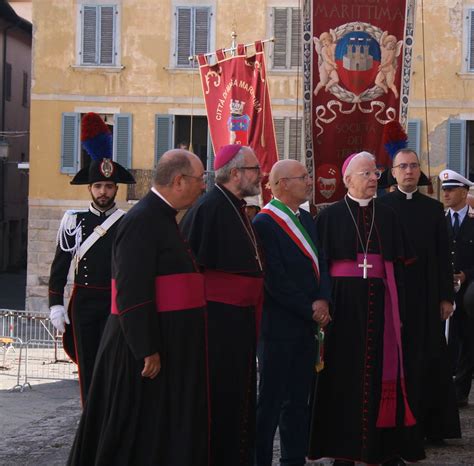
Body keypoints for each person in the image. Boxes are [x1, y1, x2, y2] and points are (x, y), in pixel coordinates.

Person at [68, 149, 209, 466]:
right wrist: (147, 347)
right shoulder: (143, 220)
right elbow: (132, 289)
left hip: (162, 339)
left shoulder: (162, 217)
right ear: (179, 180)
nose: (203, 187)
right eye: (200, 180)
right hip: (139, 351)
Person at [308, 151, 421, 466]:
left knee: (379, 371)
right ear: (348, 180)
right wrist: (324, 302)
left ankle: (382, 449)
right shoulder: (328, 217)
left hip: (381, 306)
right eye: (368, 174)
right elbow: (320, 267)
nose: (375, 179)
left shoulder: (388, 216)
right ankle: (343, 450)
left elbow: (401, 268)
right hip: (342, 307)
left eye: (376, 173)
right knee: (342, 375)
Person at [180, 143, 264, 466]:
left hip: (238, 324)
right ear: (235, 173)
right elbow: (191, 270)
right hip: (217, 328)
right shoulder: (209, 208)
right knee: (222, 401)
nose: (261, 175)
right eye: (255, 170)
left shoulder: (237, 207)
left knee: (240, 399)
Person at [48, 112, 135, 403]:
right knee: (87, 369)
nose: (103, 191)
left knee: (115, 368)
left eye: (109, 186)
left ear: (115, 188)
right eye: (98, 186)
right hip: (83, 304)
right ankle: (90, 419)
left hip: (115, 305)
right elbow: (59, 268)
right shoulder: (73, 220)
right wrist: (55, 305)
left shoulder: (127, 222)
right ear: (90, 188)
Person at [379, 150, 460, 444]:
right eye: (403, 166)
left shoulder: (434, 208)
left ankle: (431, 426)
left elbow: (443, 256)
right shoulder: (381, 207)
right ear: (394, 172)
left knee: (429, 357)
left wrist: (446, 297)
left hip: (426, 295)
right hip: (393, 294)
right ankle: (394, 423)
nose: (409, 171)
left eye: (414, 166)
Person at [253, 160, 331, 466]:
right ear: (282, 183)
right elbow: (274, 279)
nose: (309, 181)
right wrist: (308, 307)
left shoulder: (308, 219)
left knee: (299, 401)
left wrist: (323, 299)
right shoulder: (265, 223)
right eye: (303, 177)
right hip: (278, 327)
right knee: (270, 403)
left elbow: (322, 263)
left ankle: (293, 459)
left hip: (307, 326)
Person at [439, 169, 474, 407]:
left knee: (466, 337)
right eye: (444, 190)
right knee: (444, 338)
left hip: (469, 290)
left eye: (451, 190)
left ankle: (460, 390)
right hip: (444, 288)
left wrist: (467, 274)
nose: (446, 194)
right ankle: (443, 387)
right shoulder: (439, 220)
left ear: (464, 192)